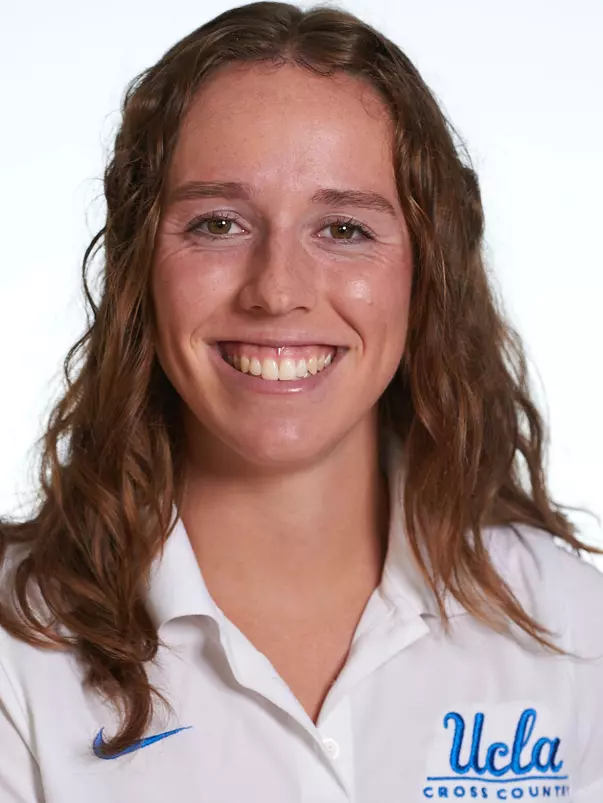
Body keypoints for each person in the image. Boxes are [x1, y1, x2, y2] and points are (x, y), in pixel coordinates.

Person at [0, 1, 601, 801]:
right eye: (217, 222)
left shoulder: (570, 629)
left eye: (344, 228)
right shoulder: (17, 648)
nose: (277, 290)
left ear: (425, 274)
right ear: (139, 263)